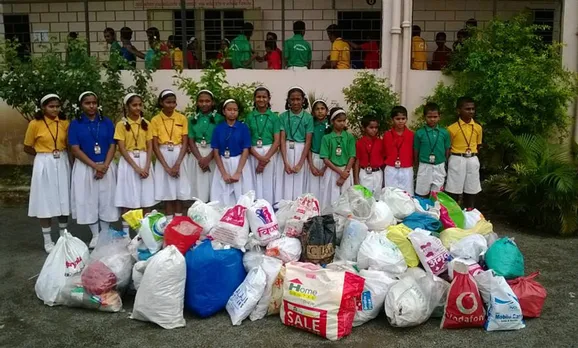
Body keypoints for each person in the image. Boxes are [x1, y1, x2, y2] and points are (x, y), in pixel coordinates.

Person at [68, 91, 119, 248]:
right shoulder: (75, 124)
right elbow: (75, 149)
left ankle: (105, 232)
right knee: (88, 200)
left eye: (94, 103)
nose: (91, 106)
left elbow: (112, 145)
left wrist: (104, 166)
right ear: (81, 105)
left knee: (106, 199)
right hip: (85, 167)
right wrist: (95, 166)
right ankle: (95, 235)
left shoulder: (106, 122)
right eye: (87, 103)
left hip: (106, 166)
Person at [24, 94, 70, 253]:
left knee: (63, 198)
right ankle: (47, 240)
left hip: (61, 159)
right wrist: (43, 156)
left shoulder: (64, 123)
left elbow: (68, 145)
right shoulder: (35, 124)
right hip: (44, 161)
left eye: (57, 106)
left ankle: (64, 236)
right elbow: (27, 146)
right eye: (51, 106)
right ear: (43, 107)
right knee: (45, 200)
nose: (55, 109)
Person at [114, 93, 157, 234]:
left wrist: (146, 166)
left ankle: (145, 232)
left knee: (146, 197)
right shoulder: (121, 125)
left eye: (140, 104)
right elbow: (121, 148)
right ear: (127, 107)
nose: (137, 107)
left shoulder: (146, 124)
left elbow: (150, 145)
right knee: (128, 197)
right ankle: (126, 233)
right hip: (129, 163)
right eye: (134, 105)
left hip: (144, 159)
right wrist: (136, 168)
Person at [151, 89, 190, 219]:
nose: (171, 105)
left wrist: (177, 164)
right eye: (168, 102)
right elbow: (155, 145)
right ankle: (168, 222)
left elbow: (185, 142)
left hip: (179, 154)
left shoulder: (181, 118)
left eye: (173, 102)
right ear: (161, 103)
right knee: (167, 193)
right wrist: (167, 167)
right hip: (163, 155)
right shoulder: (155, 120)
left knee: (179, 192)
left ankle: (178, 221)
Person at [211, 99, 254, 206]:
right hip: (223, 164)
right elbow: (215, 151)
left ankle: (241, 219)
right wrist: (224, 173)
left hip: (239, 163)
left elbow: (246, 150)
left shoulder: (243, 128)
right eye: (229, 109)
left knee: (241, 194)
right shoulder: (218, 128)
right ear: (224, 111)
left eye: (235, 110)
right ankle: (223, 218)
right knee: (222, 194)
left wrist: (238, 172)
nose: (232, 112)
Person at [276, 86, 314, 201]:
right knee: (285, 181)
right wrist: (285, 161)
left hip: (301, 150)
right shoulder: (283, 116)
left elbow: (308, 141)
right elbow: (282, 139)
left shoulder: (308, 117)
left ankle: (298, 209)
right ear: (288, 101)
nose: (295, 102)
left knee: (299, 181)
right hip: (286, 148)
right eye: (292, 99)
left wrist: (300, 163)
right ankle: (284, 207)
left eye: (298, 99)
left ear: (303, 100)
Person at [445, 97, 483, 209]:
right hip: (457, 158)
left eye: (472, 109)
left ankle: (469, 212)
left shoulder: (478, 127)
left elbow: (478, 145)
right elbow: (448, 147)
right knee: (453, 188)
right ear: (459, 110)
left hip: (472, 158)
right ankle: (453, 214)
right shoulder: (452, 128)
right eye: (467, 109)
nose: (471, 111)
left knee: (471, 188)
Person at [187, 90, 223, 203]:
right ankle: (199, 210)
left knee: (213, 183)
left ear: (212, 103)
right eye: (201, 101)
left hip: (213, 153)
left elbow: (221, 140)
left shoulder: (219, 119)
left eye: (207, 101)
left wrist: (208, 158)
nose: (204, 104)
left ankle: (213, 211)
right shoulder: (192, 119)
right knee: (198, 184)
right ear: (197, 103)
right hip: (197, 154)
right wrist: (200, 159)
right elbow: (191, 140)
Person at [246, 86, 280, 203]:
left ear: (269, 99)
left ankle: (268, 206)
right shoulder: (250, 117)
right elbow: (247, 139)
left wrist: (265, 158)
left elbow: (277, 140)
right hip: (254, 153)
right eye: (259, 97)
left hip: (269, 152)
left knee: (268, 182)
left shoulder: (274, 117)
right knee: (254, 181)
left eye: (264, 97)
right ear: (254, 99)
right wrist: (259, 157)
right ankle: (254, 206)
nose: (261, 99)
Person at [320, 107, 356, 210]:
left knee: (346, 200)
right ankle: (330, 221)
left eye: (344, 121)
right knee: (331, 199)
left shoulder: (349, 137)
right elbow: (325, 159)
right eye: (339, 121)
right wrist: (340, 173)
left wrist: (345, 173)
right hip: (332, 171)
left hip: (347, 170)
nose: (342, 123)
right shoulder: (326, 138)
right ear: (332, 121)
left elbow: (352, 156)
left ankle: (345, 222)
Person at [414, 103, 450, 197]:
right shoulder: (419, 133)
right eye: (429, 117)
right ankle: (422, 210)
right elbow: (416, 150)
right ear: (424, 117)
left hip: (439, 165)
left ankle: (435, 210)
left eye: (435, 116)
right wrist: (417, 165)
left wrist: (444, 162)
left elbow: (447, 149)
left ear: (439, 117)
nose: (432, 119)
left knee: (437, 194)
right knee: (421, 193)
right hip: (424, 165)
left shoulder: (444, 132)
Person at [383, 106, 414, 195]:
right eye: (398, 119)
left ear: (406, 119)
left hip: (406, 168)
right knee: (390, 193)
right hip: (391, 168)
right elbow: (384, 152)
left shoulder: (411, 135)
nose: (401, 121)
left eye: (403, 118)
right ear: (392, 120)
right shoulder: (387, 135)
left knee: (407, 194)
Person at [353, 117, 383, 196]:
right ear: (364, 128)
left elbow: (383, 160)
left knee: (377, 197)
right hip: (364, 173)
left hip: (377, 173)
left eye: (376, 127)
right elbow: (357, 162)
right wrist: (356, 179)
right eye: (371, 127)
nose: (374, 130)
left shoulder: (380, 142)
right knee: (365, 197)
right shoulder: (359, 143)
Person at [307, 99, 330, 200]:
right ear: (313, 112)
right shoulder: (311, 125)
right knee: (314, 188)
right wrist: (311, 165)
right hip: (314, 158)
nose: (320, 111)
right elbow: (308, 146)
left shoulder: (330, 126)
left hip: (328, 160)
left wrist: (325, 167)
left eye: (322, 109)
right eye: (317, 109)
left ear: (327, 110)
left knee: (326, 188)